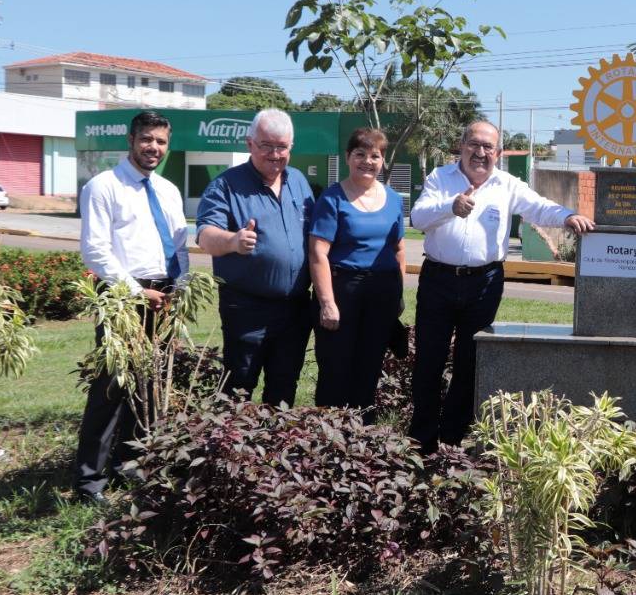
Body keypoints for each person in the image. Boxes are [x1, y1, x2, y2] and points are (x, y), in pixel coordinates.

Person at [409, 120, 594, 453]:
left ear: (499, 152)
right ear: (461, 146)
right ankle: (421, 442)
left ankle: (451, 442)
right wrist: (450, 206)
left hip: (484, 283)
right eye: (474, 144)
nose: (480, 152)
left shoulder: (507, 184)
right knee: (428, 361)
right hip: (438, 280)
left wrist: (568, 216)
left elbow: (538, 207)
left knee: (470, 363)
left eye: (487, 147)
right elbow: (418, 218)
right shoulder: (440, 178)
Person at [76, 110, 189, 503]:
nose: (153, 147)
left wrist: (180, 292)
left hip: (164, 296)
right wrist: (137, 293)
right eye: (146, 139)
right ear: (130, 140)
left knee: (149, 385)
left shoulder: (169, 190)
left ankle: (131, 465)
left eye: (160, 141)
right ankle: (90, 482)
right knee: (111, 388)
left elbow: (179, 248)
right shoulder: (103, 186)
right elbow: (95, 251)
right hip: (123, 298)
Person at [196, 109, 313, 407]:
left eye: (281, 147)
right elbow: (205, 235)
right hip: (247, 308)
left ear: (291, 147)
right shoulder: (226, 185)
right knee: (238, 386)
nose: (274, 154)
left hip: (295, 308)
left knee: (284, 386)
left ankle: (277, 438)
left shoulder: (299, 181)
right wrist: (233, 241)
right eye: (266, 146)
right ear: (250, 144)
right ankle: (231, 439)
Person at [309, 127, 406, 421]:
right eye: (360, 154)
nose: (367, 161)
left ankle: (364, 434)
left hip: (381, 293)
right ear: (348, 157)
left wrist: (398, 295)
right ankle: (329, 434)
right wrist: (327, 303)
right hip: (342, 291)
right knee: (335, 368)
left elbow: (399, 249)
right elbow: (317, 253)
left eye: (375, 156)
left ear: (383, 161)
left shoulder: (394, 199)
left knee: (369, 366)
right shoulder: (332, 198)